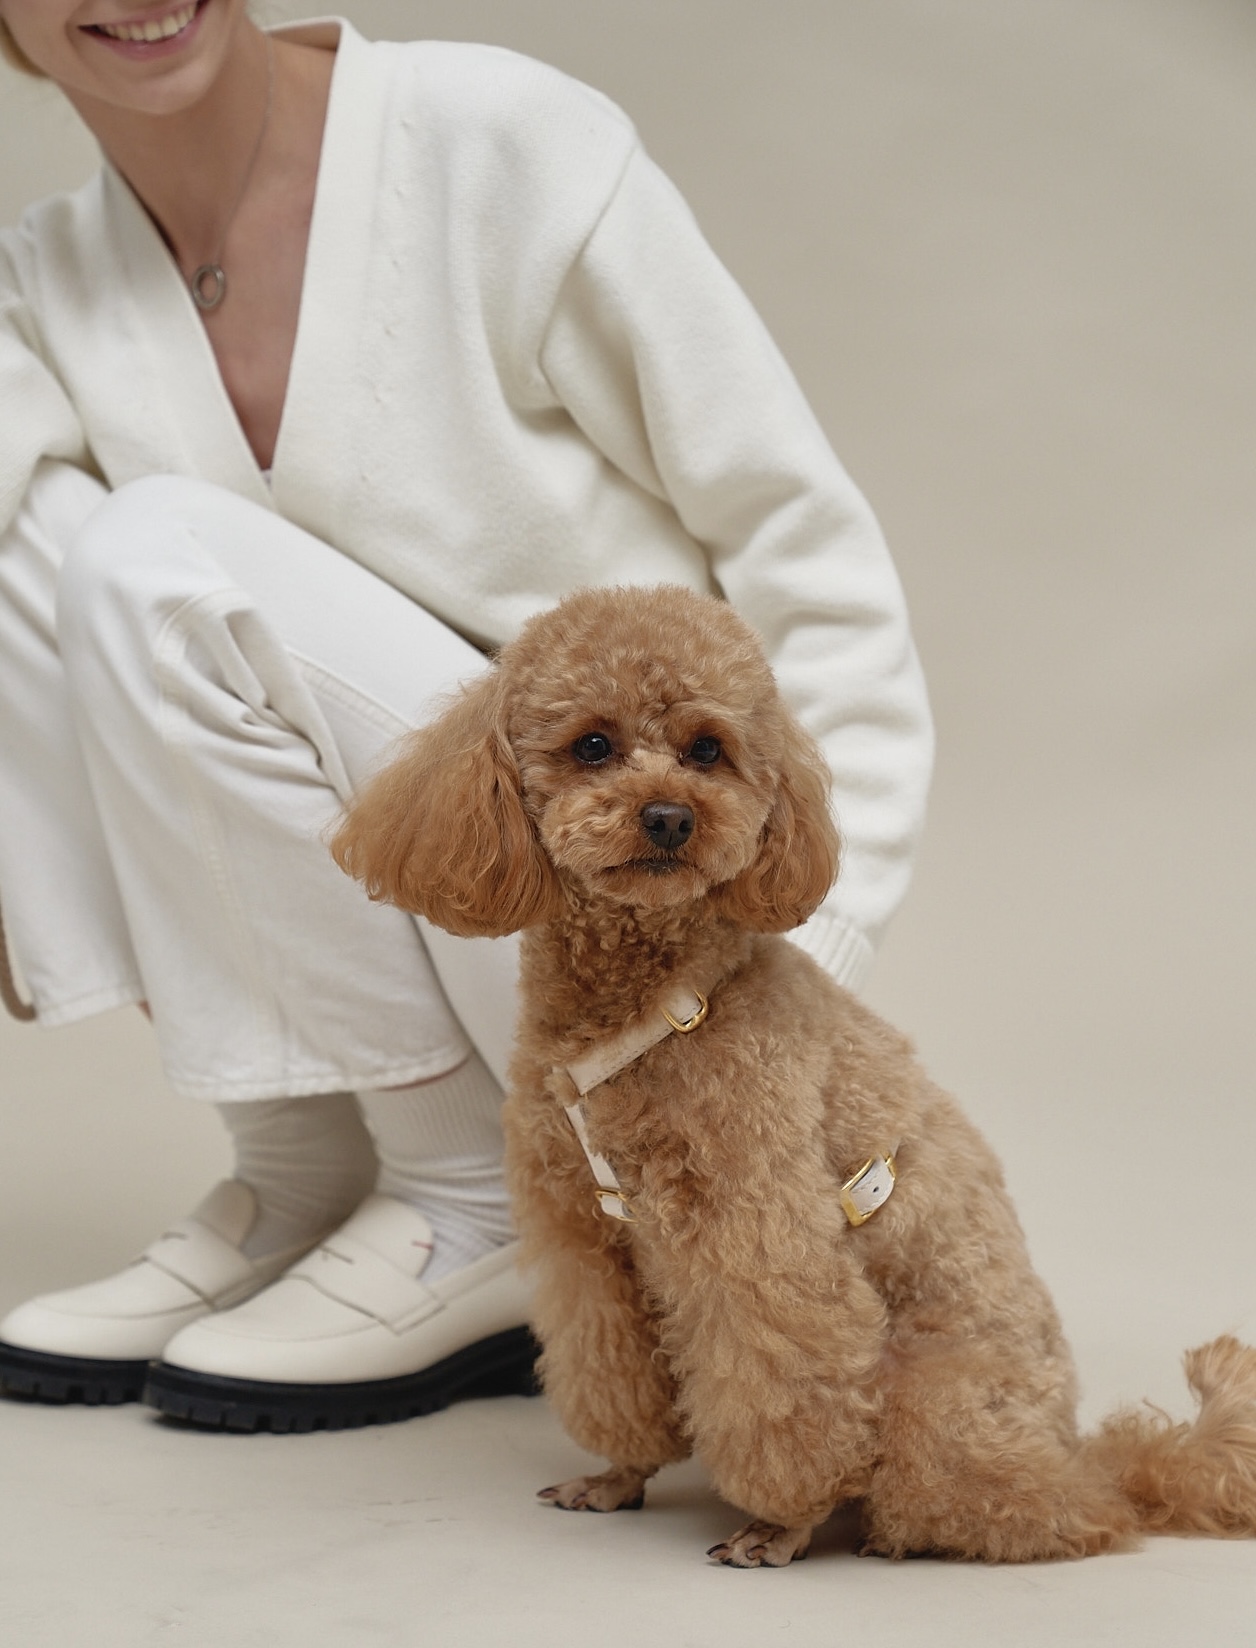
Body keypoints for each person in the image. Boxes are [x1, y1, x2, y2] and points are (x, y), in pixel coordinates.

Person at [0, 1, 934, 1430]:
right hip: (414, 891)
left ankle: (465, 1191)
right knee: (26, 538)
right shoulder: (50, 277)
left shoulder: (497, 143)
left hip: (627, 933)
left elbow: (798, 538)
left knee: (152, 552)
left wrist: (802, 957)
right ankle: (306, 1164)